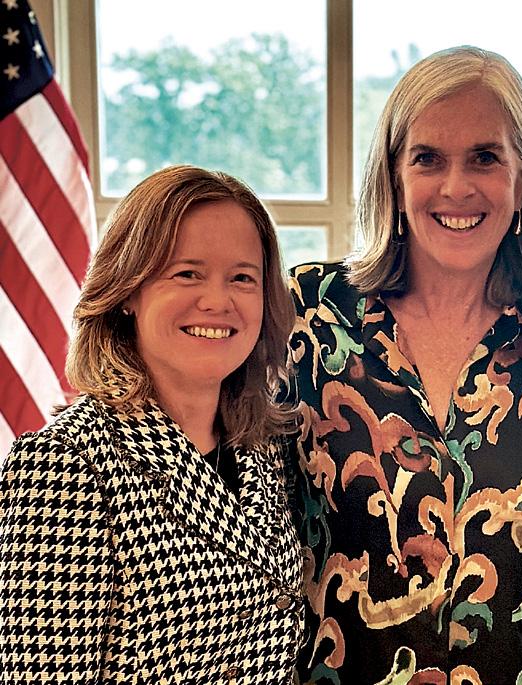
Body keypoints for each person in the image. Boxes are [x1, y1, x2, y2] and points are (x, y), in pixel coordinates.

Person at [283, 46, 522, 684]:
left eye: (485, 157)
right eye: (427, 158)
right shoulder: (308, 311)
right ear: (394, 177)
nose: (456, 187)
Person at [0, 165, 305, 682]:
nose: (217, 301)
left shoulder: (264, 445)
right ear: (127, 291)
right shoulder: (65, 464)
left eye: (242, 278)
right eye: (187, 273)